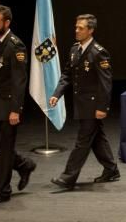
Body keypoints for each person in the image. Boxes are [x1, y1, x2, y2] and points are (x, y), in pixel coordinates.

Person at [49, 14, 120, 189]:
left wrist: (102, 107)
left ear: (90, 30)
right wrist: (57, 94)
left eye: (81, 28)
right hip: (81, 104)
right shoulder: (75, 50)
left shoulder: (98, 52)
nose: (76, 31)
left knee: (83, 141)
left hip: (93, 105)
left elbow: (105, 83)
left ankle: (68, 177)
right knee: (97, 139)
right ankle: (111, 169)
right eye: (76, 27)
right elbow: (67, 75)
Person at [0, 5, 37, 204]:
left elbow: (19, 81)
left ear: (7, 23)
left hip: (8, 105)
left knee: (4, 151)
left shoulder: (16, 46)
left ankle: (2, 191)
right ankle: (23, 164)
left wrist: (15, 110)